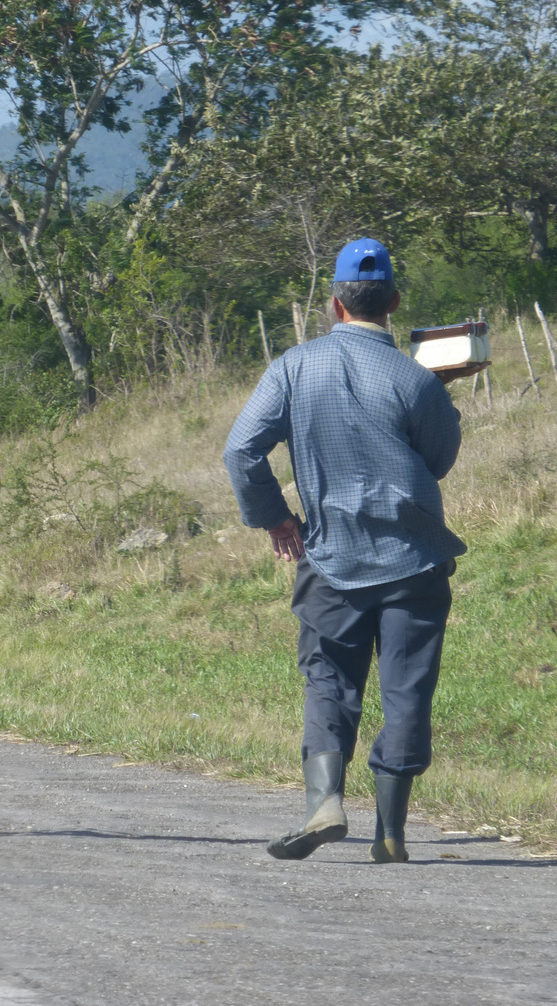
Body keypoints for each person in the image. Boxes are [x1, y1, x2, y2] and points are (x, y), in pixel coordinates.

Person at [223, 238, 475, 863]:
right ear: (392, 302)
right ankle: (391, 831)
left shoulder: (292, 367)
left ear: (336, 304)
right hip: (412, 559)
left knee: (329, 678)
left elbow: (241, 452)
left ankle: (325, 802)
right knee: (407, 687)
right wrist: (437, 393)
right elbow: (439, 462)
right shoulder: (417, 380)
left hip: (330, 557)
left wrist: (275, 518)